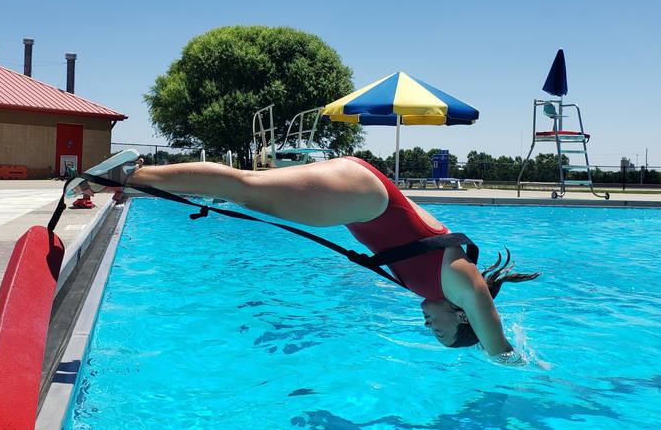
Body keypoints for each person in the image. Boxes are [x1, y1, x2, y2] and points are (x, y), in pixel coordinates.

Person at [71, 151, 539, 358]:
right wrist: (508, 362)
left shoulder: (439, 279)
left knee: (242, 193)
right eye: (439, 331)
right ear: (461, 318)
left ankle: (134, 186)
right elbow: (490, 319)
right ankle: (132, 173)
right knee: (245, 187)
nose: (427, 326)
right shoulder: (460, 281)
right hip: (360, 198)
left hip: (357, 198)